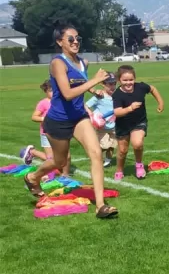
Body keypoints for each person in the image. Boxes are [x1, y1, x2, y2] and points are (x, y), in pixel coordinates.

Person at [22, 23, 118, 218]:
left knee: (96, 154)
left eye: (78, 39)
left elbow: (80, 82)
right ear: (60, 42)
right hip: (58, 120)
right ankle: (32, 177)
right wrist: (95, 82)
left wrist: (93, 90)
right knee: (59, 162)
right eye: (71, 39)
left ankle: (100, 206)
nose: (76, 42)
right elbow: (66, 93)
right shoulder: (58, 62)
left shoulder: (84, 62)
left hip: (79, 118)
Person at [112, 65, 164, 180]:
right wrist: (130, 108)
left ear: (134, 79)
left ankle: (139, 166)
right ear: (119, 80)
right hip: (123, 124)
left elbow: (152, 89)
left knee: (137, 143)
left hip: (139, 122)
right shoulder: (117, 94)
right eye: (125, 80)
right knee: (122, 151)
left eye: (131, 79)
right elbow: (117, 112)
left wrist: (160, 102)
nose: (128, 83)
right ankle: (119, 169)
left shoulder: (140, 87)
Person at [21, 81, 71, 177]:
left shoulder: (62, 102)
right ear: (45, 92)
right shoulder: (43, 103)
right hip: (46, 133)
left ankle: (66, 175)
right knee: (51, 158)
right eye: (51, 91)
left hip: (61, 132)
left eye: (56, 90)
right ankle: (32, 152)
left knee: (66, 156)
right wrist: (45, 119)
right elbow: (34, 117)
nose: (54, 93)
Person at [85, 73, 117, 167]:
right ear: (103, 84)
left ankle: (107, 162)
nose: (113, 86)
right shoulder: (99, 96)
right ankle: (95, 157)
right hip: (102, 127)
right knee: (103, 146)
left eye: (114, 83)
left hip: (115, 126)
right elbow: (86, 105)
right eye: (110, 84)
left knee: (112, 145)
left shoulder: (117, 96)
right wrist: (91, 114)